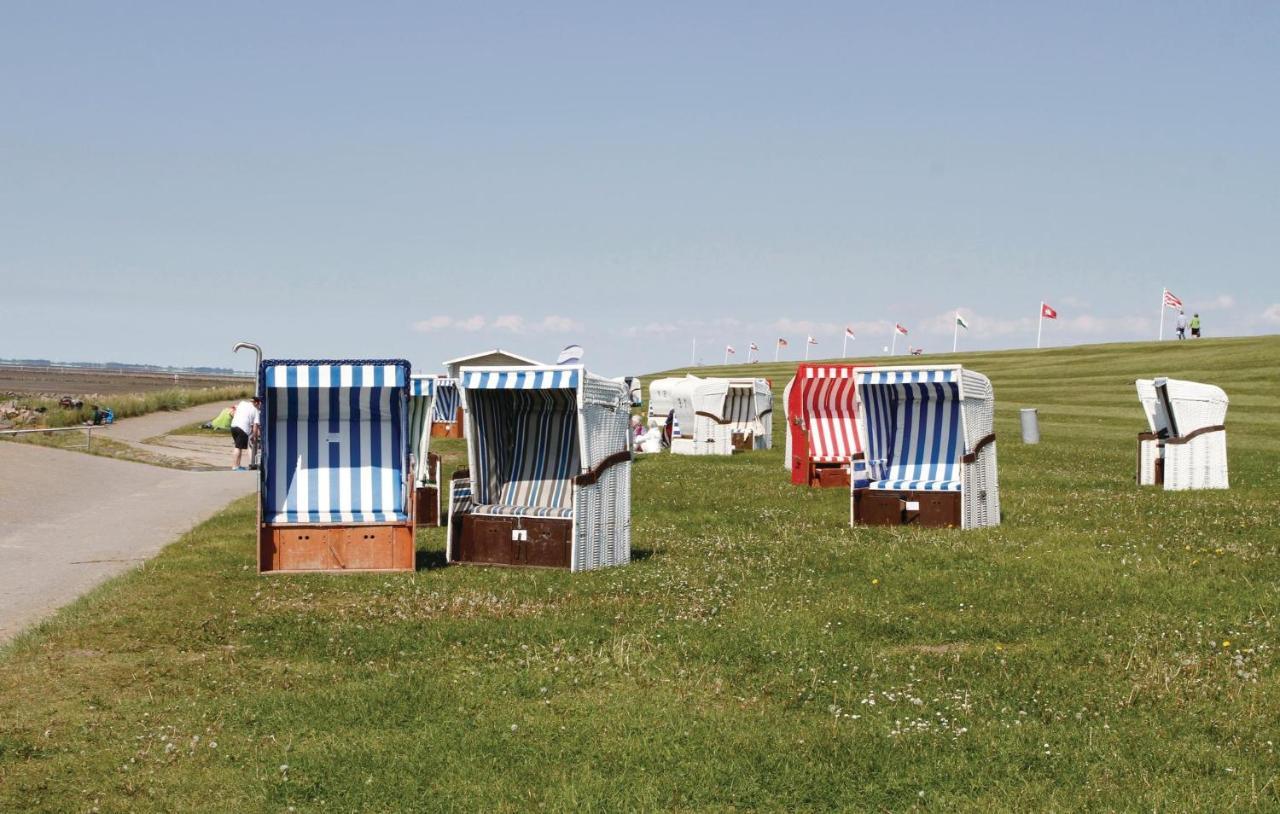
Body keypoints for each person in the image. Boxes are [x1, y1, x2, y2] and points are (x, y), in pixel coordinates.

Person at [230, 397, 261, 471]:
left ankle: (238, 465)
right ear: (256, 403)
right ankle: (235, 466)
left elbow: (233, 410)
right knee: (238, 448)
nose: (259, 406)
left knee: (237, 447)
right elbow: (255, 427)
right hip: (242, 429)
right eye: (259, 404)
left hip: (233, 426)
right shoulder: (255, 410)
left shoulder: (242, 403)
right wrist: (254, 437)